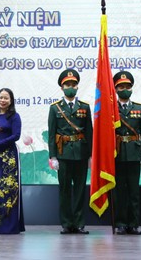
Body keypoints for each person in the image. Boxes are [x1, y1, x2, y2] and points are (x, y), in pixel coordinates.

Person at [48, 69, 93, 234]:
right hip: (63, 154)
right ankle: (67, 224)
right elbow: (52, 134)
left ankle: (79, 223)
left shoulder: (85, 107)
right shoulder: (55, 109)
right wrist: (53, 156)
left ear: (77, 87)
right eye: (67, 84)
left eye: (74, 84)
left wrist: (90, 156)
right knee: (65, 190)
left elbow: (89, 132)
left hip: (81, 154)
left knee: (80, 190)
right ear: (62, 87)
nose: (71, 87)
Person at [112, 71, 141, 235]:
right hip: (117, 154)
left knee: (134, 191)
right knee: (119, 191)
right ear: (116, 88)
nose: (125, 89)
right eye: (121, 87)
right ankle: (120, 223)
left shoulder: (139, 108)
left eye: (127, 86)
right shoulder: (111, 109)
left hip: (134, 153)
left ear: (132, 88)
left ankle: (133, 224)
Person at [0, 88, 25, 234]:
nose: (2, 100)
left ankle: (10, 226)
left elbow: (16, 136)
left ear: (11, 101)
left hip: (9, 158)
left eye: (6, 98)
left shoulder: (14, 116)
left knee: (8, 190)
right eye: (0, 97)